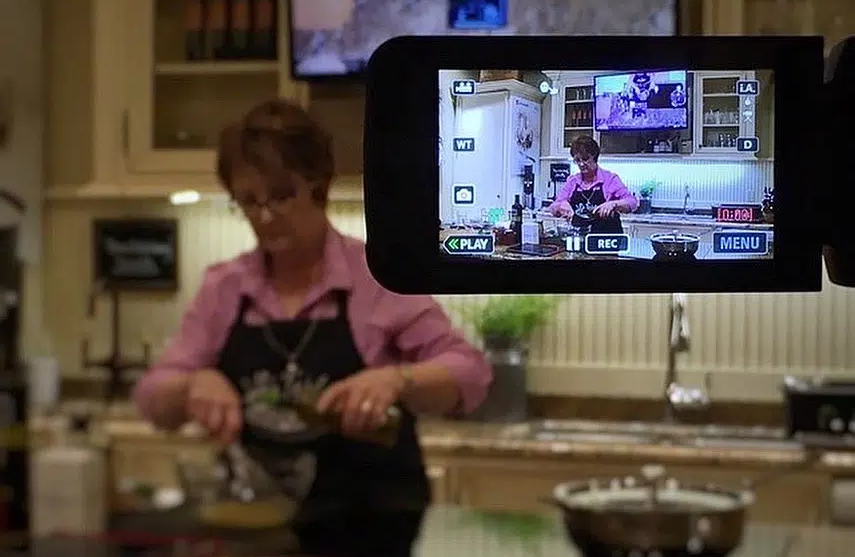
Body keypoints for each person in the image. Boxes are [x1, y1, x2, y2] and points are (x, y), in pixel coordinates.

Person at [133, 98, 492, 509]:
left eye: (281, 196)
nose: (265, 216)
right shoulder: (225, 287)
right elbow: (152, 397)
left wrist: (397, 380)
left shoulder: (377, 277)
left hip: (373, 523)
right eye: (249, 201)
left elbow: (471, 374)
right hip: (260, 521)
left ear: (318, 186)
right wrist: (192, 385)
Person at [548, 135, 638, 234]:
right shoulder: (572, 181)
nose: (581, 164)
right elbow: (553, 207)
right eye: (577, 160)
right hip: (580, 238)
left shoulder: (610, 179)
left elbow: (632, 202)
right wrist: (561, 205)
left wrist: (613, 204)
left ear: (594, 157)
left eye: (585, 159)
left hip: (607, 238)